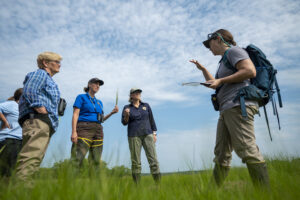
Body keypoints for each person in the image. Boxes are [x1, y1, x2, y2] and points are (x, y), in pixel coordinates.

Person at [190, 29, 269, 187]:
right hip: (226, 109)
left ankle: (264, 194)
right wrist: (204, 70)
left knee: (247, 149)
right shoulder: (224, 60)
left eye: (209, 44)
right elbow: (216, 84)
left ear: (218, 39)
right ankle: (212, 193)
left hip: (238, 106)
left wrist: (220, 81)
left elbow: (249, 71)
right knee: (221, 154)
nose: (209, 48)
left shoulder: (234, 51)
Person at [15, 52, 62, 181]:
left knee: (35, 159)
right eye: (56, 61)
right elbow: (30, 90)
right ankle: (20, 192)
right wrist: (41, 109)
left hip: (44, 121)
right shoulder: (40, 74)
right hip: (38, 119)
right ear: (45, 63)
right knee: (31, 158)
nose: (59, 64)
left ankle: (25, 191)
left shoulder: (49, 79)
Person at [71, 78, 119, 169]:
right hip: (84, 128)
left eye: (99, 85)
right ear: (89, 84)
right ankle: (71, 181)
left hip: (98, 130)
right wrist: (74, 132)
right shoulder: (81, 97)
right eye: (95, 83)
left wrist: (111, 113)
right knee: (78, 158)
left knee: (96, 160)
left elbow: (101, 120)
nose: (98, 86)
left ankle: (94, 182)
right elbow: (75, 114)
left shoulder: (99, 102)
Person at [121, 88, 160, 184]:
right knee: (136, 162)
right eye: (135, 92)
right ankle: (137, 187)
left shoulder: (146, 106)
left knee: (153, 160)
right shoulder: (127, 107)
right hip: (134, 136)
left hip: (148, 134)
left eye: (139, 92)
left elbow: (152, 120)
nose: (138, 93)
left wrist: (154, 134)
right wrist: (126, 115)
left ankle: (158, 185)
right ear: (131, 95)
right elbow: (124, 123)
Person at [0, 88, 23, 178]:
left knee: (11, 172)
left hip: (18, 142)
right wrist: (4, 121)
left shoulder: (24, 109)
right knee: (4, 171)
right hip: (8, 140)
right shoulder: (12, 104)